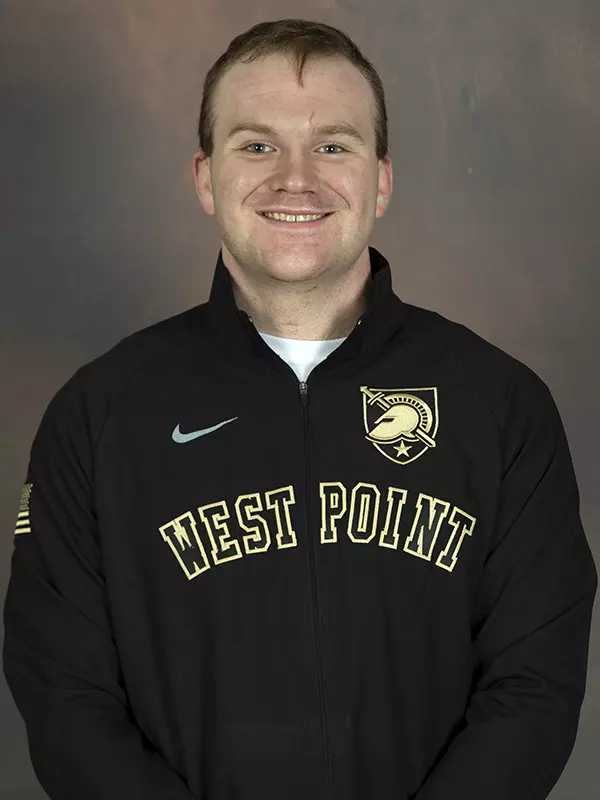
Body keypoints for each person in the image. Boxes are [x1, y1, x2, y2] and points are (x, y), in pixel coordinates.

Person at [3, 17, 597, 800]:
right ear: (205, 177)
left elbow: (533, 688)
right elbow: (64, 696)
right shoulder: (97, 416)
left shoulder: (502, 406)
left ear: (381, 181)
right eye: (256, 145)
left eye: (333, 146)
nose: (295, 178)